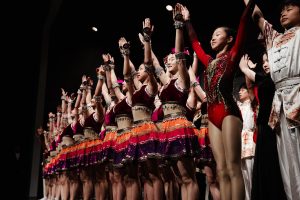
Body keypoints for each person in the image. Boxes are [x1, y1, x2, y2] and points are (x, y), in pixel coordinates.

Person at [180, 1, 256, 199]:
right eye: (212, 35)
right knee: (221, 169)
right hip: (212, 116)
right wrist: (187, 22)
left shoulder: (232, 56)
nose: (213, 38)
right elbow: (195, 44)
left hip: (229, 112)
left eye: (218, 35)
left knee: (233, 167)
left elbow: (243, 23)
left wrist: (250, 5)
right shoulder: (209, 61)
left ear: (229, 39)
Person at [243, 0, 300, 199]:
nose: (283, 13)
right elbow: (257, 16)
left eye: (289, 9)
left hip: (298, 95)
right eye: (282, 10)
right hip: (280, 104)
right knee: (287, 160)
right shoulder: (274, 38)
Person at [239, 52, 286, 200]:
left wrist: (246, 69)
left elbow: (261, 84)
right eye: (263, 61)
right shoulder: (265, 82)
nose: (265, 64)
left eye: (269, 61)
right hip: (264, 131)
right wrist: (248, 72)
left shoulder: (275, 81)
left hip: (275, 130)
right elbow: (252, 88)